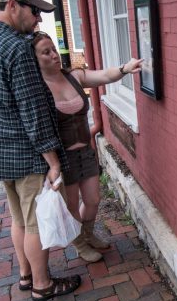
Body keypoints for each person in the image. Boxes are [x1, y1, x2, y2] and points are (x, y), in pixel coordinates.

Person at [0, 0, 80, 301]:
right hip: (26, 152)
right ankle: (43, 285)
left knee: (18, 217)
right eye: (34, 10)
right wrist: (53, 162)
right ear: (12, 5)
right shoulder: (17, 48)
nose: (39, 18)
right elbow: (33, 110)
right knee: (35, 223)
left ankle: (26, 275)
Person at [30, 32, 142, 262]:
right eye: (46, 52)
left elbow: (103, 76)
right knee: (71, 205)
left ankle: (88, 234)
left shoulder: (74, 77)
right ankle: (80, 245)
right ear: (35, 59)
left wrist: (125, 68)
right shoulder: (37, 89)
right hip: (63, 158)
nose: (54, 55)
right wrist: (52, 164)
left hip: (85, 152)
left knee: (92, 199)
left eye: (53, 49)